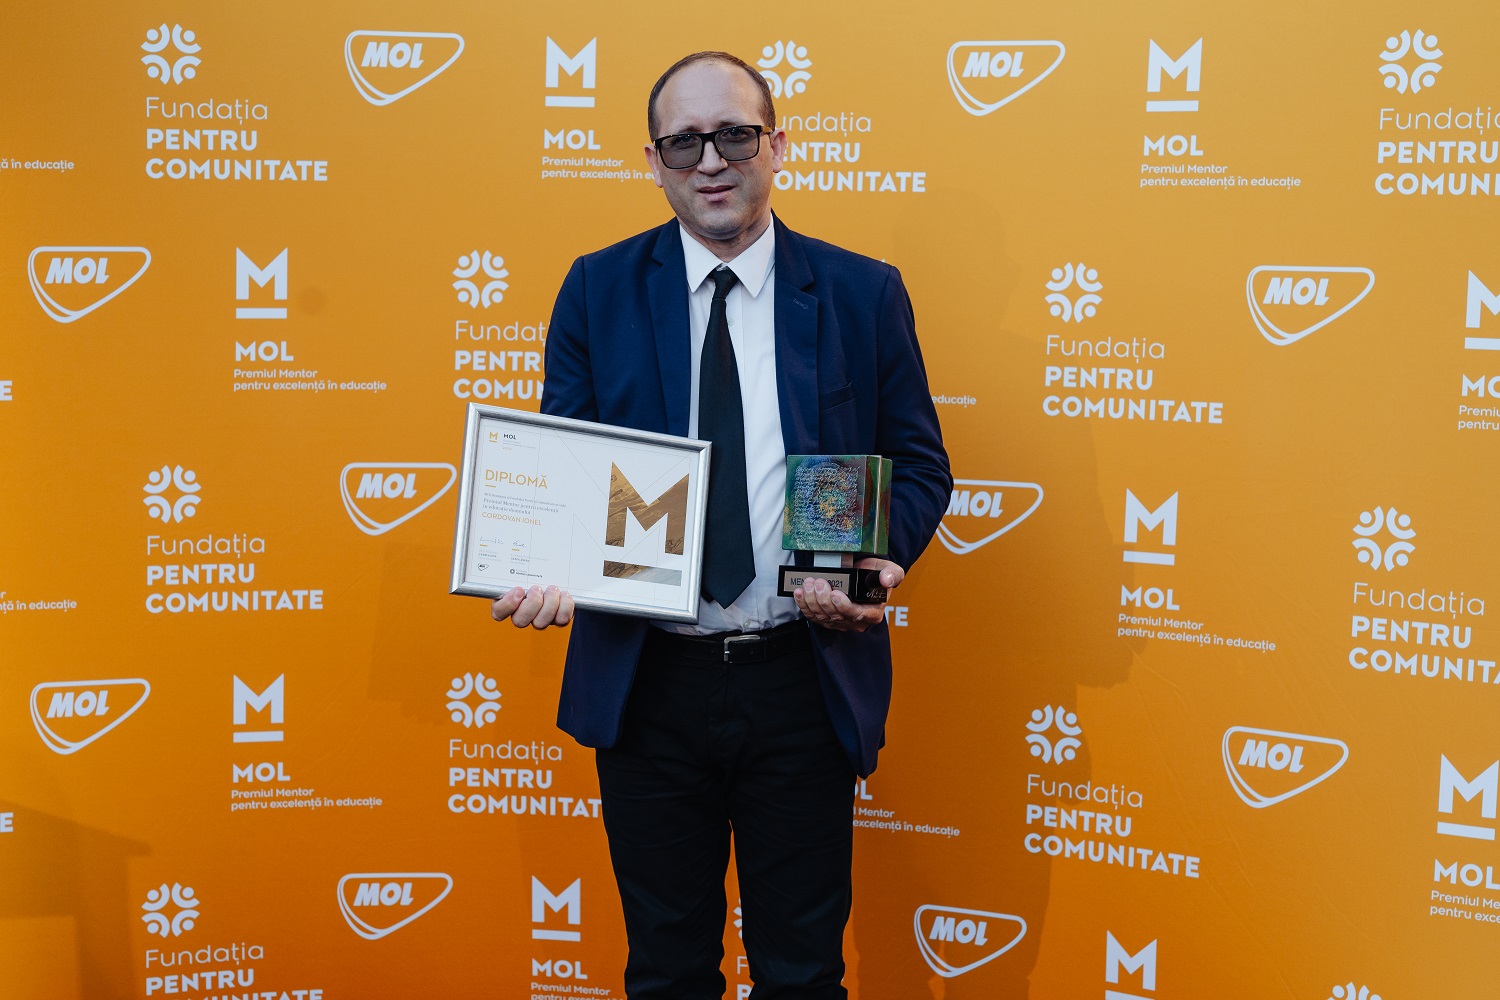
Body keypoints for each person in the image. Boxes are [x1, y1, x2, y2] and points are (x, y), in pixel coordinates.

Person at [490, 50, 951, 1000]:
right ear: (652, 162)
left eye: (735, 135)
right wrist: (543, 563)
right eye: (684, 142)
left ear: (777, 145)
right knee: (666, 973)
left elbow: (919, 465)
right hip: (649, 685)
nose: (711, 161)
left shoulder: (862, 292)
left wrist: (879, 558)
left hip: (802, 678)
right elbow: (565, 477)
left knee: (803, 974)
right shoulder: (597, 290)